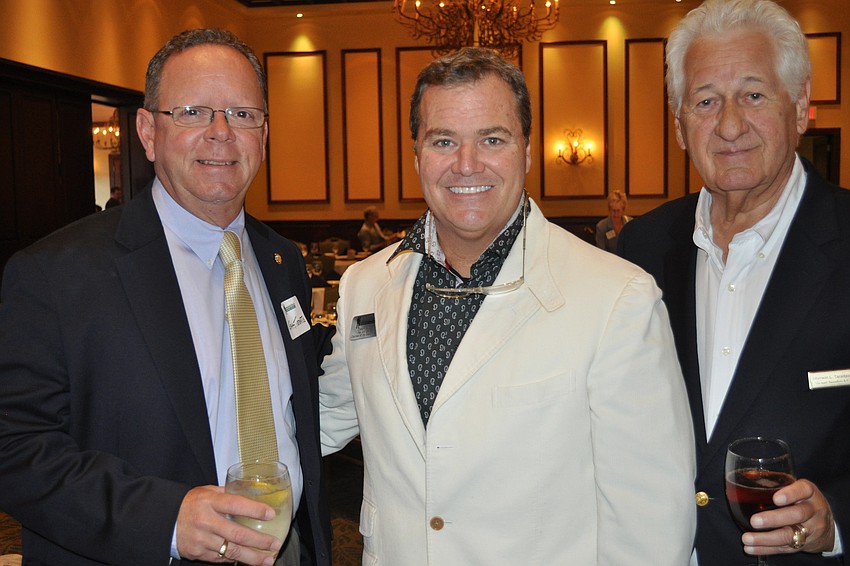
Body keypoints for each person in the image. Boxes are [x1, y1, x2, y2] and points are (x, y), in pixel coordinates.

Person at [319, 47, 696, 565]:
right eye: (443, 140)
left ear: (526, 151)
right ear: (416, 156)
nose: (466, 164)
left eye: (491, 139)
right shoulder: (364, 285)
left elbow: (652, 519)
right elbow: (321, 416)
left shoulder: (617, 298)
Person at [0, 29, 331, 566]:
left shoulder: (283, 261)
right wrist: (164, 519)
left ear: (264, 135)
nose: (221, 133)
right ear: (148, 131)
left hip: (286, 550)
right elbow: (14, 448)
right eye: (194, 112)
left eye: (243, 114)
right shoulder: (55, 275)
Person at [618, 1, 850, 563]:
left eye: (753, 94)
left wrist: (838, 521)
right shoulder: (639, 250)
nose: (728, 124)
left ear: (800, 108)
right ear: (679, 127)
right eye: (705, 101)